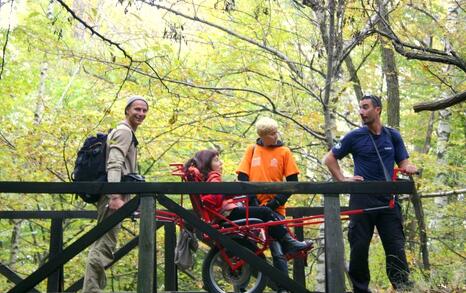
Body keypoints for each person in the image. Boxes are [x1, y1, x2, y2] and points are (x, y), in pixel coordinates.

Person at [323, 95, 417, 292]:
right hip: (361, 201)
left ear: (378, 109)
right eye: (360, 108)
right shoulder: (354, 136)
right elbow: (329, 158)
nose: (361, 111)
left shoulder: (393, 136)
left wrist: (408, 167)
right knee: (358, 249)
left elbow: (404, 162)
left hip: (388, 202)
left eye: (365, 107)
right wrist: (342, 178)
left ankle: (402, 287)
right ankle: (360, 290)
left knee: (396, 247)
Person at [183, 149, 311, 256]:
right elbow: (213, 199)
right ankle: (289, 242)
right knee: (266, 212)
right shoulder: (214, 178)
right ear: (207, 164)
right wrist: (229, 191)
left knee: (264, 213)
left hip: (225, 213)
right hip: (227, 214)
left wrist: (230, 191)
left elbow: (213, 198)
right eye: (216, 160)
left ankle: (288, 242)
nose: (220, 163)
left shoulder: (210, 178)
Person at [82, 95, 149, 293]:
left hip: (117, 193)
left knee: (104, 243)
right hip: (114, 195)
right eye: (137, 109)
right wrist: (114, 196)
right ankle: (91, 290)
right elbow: (114, 162)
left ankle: (93, 288)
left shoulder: (124, 132)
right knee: (104, 245)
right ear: (127, 110)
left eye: (144, 110)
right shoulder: (124, 132)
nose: (141, 113)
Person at [236, 117, 302, 293]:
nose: (276, 136)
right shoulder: (252, 150)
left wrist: (275, 202)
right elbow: (242, 176)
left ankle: (283, 288)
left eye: (276, 132)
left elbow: (292, 182)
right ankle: (241, 286)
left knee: (277, 249)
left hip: (276, 208)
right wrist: (253, 200)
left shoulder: (285, 152)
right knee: (247, 245)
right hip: (253, 207)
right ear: (263, 136)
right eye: (272, 134)